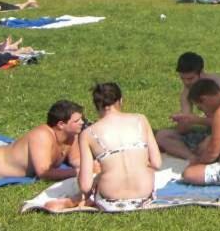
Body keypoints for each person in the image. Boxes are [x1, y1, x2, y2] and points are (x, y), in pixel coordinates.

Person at [54, 83, 162, 212]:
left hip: (111, 197)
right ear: (120, 100)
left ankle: (77, 200)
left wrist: (97, 177)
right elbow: (157, 163)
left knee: (99, 177)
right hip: (144, 193)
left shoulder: (87, 134)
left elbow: (85, 185)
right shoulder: (140, 120)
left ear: (96, 106)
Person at [155, 52, 220, 159]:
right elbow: (184, 129)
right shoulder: (186, 93)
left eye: (190, 79)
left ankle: (206, 154)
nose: (186, 83)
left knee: (212, 146)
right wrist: (182, 120)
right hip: (208, 132)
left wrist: (196, 120)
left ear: (201, 73)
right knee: (162, 136)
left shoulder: (218, 87)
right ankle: (192, 158)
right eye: (182, 79)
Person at [0, 100, 86, 180]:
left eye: (81, 119)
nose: (82, 123)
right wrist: (75, 172)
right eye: (76, 121)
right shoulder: (42, 136)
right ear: (61, 124)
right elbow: (43, 172)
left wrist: (93, 166)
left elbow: (75, 159)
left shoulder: (72, 136)